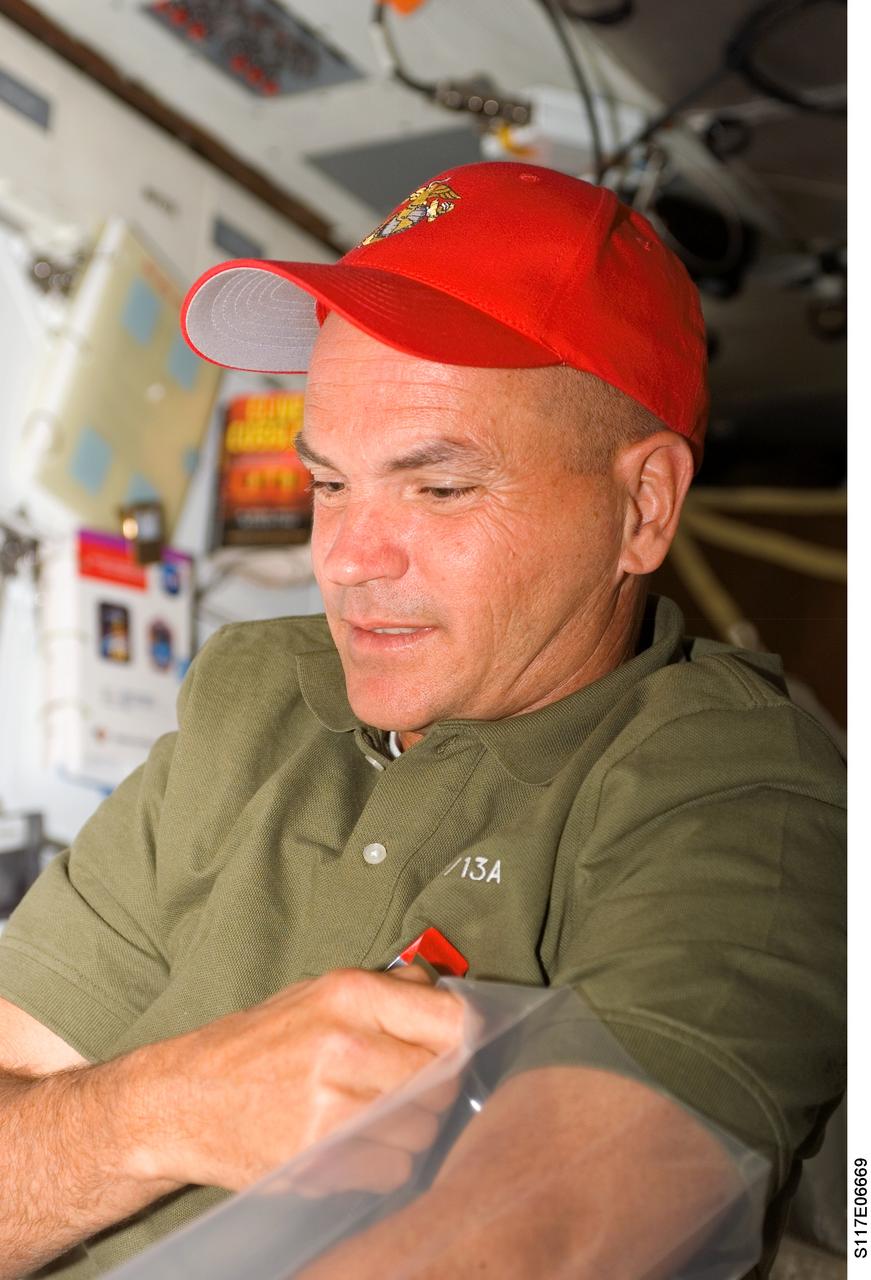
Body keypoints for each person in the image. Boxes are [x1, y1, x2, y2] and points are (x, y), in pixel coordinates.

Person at [0, 162, 845, 1278]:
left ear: (640, 507)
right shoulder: (253, 697)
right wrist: (170, 1102)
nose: (344, 557)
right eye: (329, 482)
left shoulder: (736, 783)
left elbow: (551, 1232)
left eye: (437, 488)